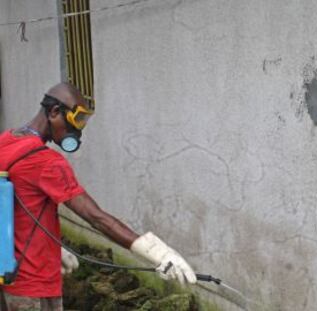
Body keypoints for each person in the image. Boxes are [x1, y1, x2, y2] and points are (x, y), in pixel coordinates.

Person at [0, 83, 197, 311]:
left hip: (8, 275)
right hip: (32, 283)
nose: (78, 131)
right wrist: (157, 253)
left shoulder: (6, 141)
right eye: (76, 120)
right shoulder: (46, 162)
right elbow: (96, 217)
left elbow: (15, 206)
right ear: (54, 112)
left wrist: (53, 247)